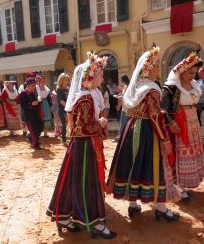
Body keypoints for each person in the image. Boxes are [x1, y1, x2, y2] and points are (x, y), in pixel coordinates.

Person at [47, 52, 117, 239]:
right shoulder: (85, 98)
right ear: (90, 77)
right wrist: (101, 123)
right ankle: (94, 222)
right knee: (88, 183)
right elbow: (85, 127)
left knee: (73, 180)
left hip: (81, 146)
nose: (102, 77)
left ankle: (64, 217)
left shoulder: (86, 95)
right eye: (99, 74)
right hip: (85, 145)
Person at [107, 46, 179, 221]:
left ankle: (133, 205)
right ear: (148, 69)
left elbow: (135, 110)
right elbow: (153, 116)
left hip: (131, 129)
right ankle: (161, 208)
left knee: (133, 164)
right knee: (154, 166)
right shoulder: (151, 89)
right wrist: (164, 139)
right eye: (155, 66)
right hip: (147, 131)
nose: (158, 68)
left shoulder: (136, 87)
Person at [161, 52, 204, 201]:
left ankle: (187, 182)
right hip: (179, 124)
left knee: (192, 150)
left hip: (192, 123)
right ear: (181, 72)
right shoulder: (171, 87)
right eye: (190, 73)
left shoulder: (194, 84)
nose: (193, 76)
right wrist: (171, 123)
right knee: (179, 152)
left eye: (194, 73)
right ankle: (178, 186)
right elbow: (163, 109)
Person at [20, 77, 44, 150]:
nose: (34, 87)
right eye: (32, 85)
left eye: (34, 85)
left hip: (36, 114)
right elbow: (23, 106)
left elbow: (36, 103)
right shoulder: (23, 93)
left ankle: (30, 136)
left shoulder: (34, 92)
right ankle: (35, 144)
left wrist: (39, 100)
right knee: (34, 130)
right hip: (29, 115)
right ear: (27, 86)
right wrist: (31, 104)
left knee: (41, 126)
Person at [56, 73, 71, 147]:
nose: (67, 82)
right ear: (61, 80)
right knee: (64, 125)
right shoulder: (59, 89)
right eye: (66, 80)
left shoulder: (67, 88)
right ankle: (64, 140)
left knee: (69, 124)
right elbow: (61, 101)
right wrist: (68, 107)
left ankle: (68, 138)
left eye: (68, 80)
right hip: (62, 110)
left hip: (68, 109)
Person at [114, 75, 130, 142]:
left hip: (127, 108)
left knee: (124, 123)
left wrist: (120, 98)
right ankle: (121, 136)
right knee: (124, 122)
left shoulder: (129, 87)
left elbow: (126, 97)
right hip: (125, 107)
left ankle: (120, 137)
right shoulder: (126, 87)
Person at [36, 72, 52, 137]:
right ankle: (38, 132)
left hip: (45, 104)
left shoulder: (46, 89)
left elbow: (49, 98)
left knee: (46, 119)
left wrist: (50, 106)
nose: (42, 81)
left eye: (43, 80)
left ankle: (45, 133)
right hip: (38, 104)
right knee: (39, 118)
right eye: (41, 80)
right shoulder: (36, 88)